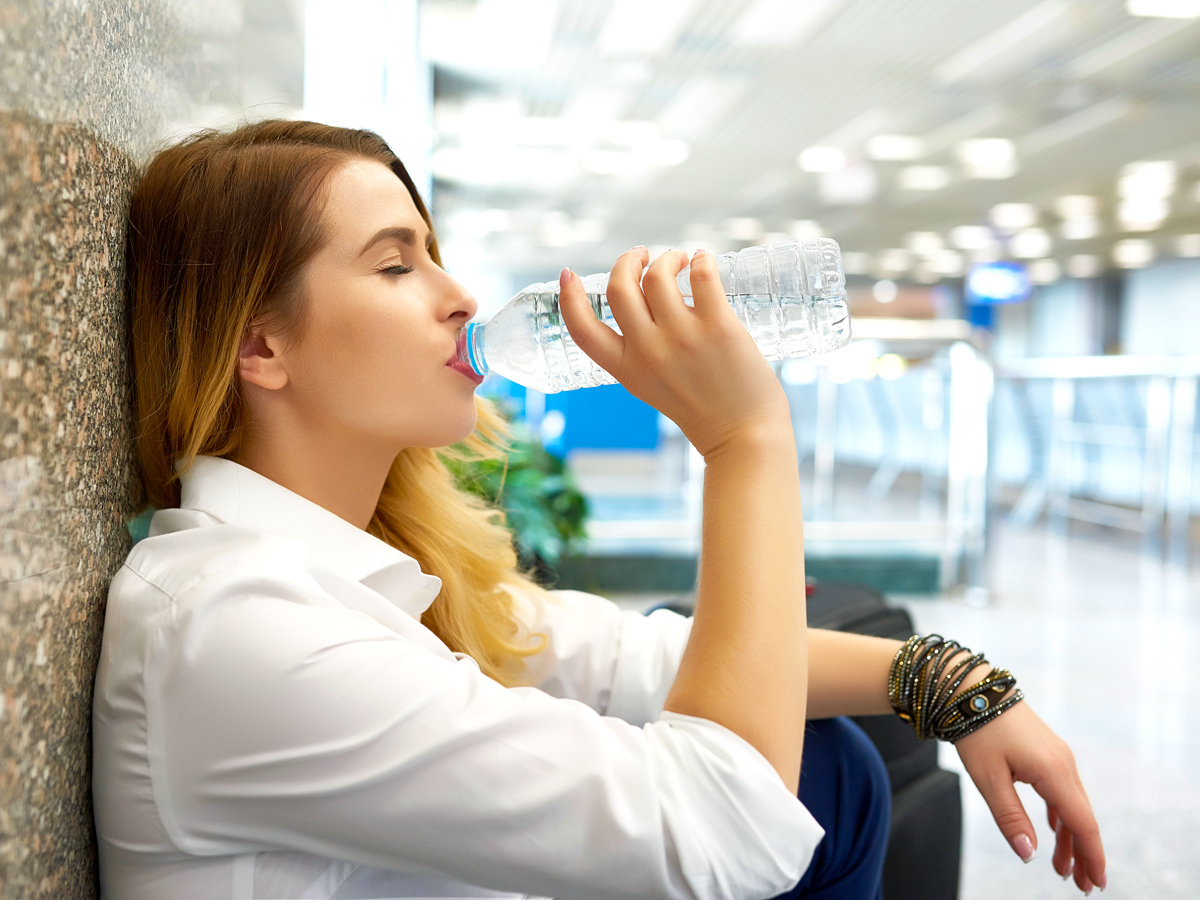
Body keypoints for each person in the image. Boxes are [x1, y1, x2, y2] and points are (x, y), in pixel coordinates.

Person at [93, 120, 1106, 900]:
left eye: (436, 255)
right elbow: (728, 833)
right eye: (396, 264)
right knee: (809, 787)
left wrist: (954, 681)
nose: (458, 297)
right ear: (260, 348)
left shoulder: (341, 568)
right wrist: (746, 442)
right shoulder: (233, 628)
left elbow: (634, 659)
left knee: (834, 760)